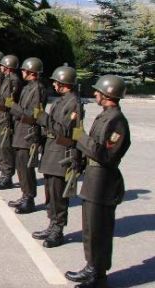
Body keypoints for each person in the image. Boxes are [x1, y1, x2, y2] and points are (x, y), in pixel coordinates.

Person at [65, 75, 131, 288]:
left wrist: (80, 137)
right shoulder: (104, 116)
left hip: (103, 181)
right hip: (93, 179)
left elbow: (106, 155)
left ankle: (98, 274)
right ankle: (91, 266)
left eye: (98, 92)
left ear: (108, 95)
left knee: (99, 229)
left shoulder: (117, 122)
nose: (95, 94)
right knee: (90, 229)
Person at [32, 66, 81, 248]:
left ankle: (58, 230)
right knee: (50, 192)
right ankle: (52, 224)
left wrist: (43, 118)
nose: (53, 84)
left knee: (59, 195)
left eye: (56, 82)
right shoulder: (62, 101)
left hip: (61, 152)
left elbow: (65, 131)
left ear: (64, 83)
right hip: (51, 149)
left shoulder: (73, 103)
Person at [8, 57, 47, 213]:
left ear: (31, 72)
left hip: (28, 133)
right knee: (21, 167)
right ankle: (25, 195)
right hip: (21, 130)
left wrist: (13, 107)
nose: (22, 72)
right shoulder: (27, 87)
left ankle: (29, 198)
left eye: (24, 70)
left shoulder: (37, 89)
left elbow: (33, 115)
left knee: (26, 167)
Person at [0, 55, 21, 189]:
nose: (0, 67)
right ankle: (3, 174)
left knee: (6, 148)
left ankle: (7, 176)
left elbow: (8, 101)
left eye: (2, 65)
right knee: (1, 147)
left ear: (7, 67)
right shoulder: (7, 79)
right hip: (0, 116)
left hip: (6, 118)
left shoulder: (13, 80)